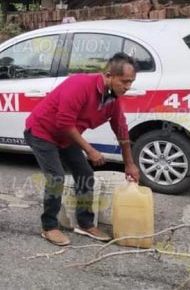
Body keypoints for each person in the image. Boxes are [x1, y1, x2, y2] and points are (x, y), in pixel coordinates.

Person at [24, 52, 142, 247]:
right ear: (109, 75)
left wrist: (129, 164)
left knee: (86, 174)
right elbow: (64, 122)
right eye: (125, 81)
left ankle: (85, 223)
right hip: (41, 131)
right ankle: (49, 226)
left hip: (66, 136)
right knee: (56, 177)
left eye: (131, 82)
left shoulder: (112, 98)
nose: (128, 86)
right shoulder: (80, 84)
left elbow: (121, 129)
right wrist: (90, 150)